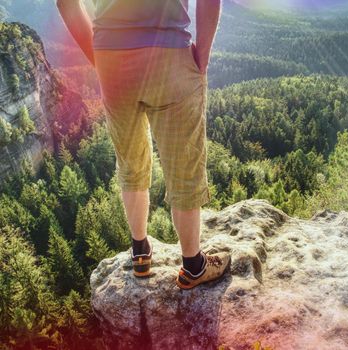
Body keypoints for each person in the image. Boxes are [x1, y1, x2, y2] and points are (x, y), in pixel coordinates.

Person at [56, 0, 231, 289]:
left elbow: (65, 2)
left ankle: (140, 252)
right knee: (184, 163)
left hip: (112, 62)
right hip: (171, 56)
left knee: (130, 159)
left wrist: (100, 58)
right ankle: (193, 266)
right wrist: (203, 56)